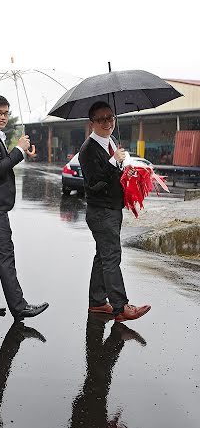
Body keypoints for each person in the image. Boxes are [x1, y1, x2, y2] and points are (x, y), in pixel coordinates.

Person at [0, 95, 48, 318]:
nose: (3, 117)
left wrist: (21, 153)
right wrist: (19, 150)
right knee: (5, 253)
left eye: (6, 113)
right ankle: (19, 305)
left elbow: (2, 164)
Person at [79, 101, 151, 322]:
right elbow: (94, 184)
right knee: (111, 257)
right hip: (100, 212)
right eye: (101, 119)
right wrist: (112, 162)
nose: (108, 122)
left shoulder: (112, 141)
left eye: (111, 117)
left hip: (113, 209)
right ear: (92, 123)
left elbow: (112, 178)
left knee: (103, 257)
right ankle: (121, 307)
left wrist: (125, 172)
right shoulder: (88, 150)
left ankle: (98, 302)